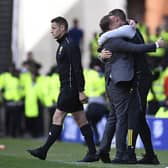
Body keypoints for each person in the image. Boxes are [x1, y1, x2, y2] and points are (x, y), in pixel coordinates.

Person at [27, 16, 98, 162]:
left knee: (57, 116)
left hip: (70, 88)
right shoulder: (63, 44)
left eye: (54, 28)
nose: (51, 31)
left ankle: (44, 150)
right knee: (81, 120)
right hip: (68, 87)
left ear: (62, 28)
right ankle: (92, 152)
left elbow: (77, 68)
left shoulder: (69, 44)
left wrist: (80, 90)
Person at [97, 9, 164, 164]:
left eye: (116, 22)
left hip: (141, 77)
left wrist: (155, 45)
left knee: (133, 116)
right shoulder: (125, 31)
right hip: (137, 78)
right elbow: (108, 39)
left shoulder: (130, 31)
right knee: (137, 118)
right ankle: (148, 155)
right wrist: (101, 53)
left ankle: (129, 153)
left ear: (118, 20)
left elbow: (125, 45)